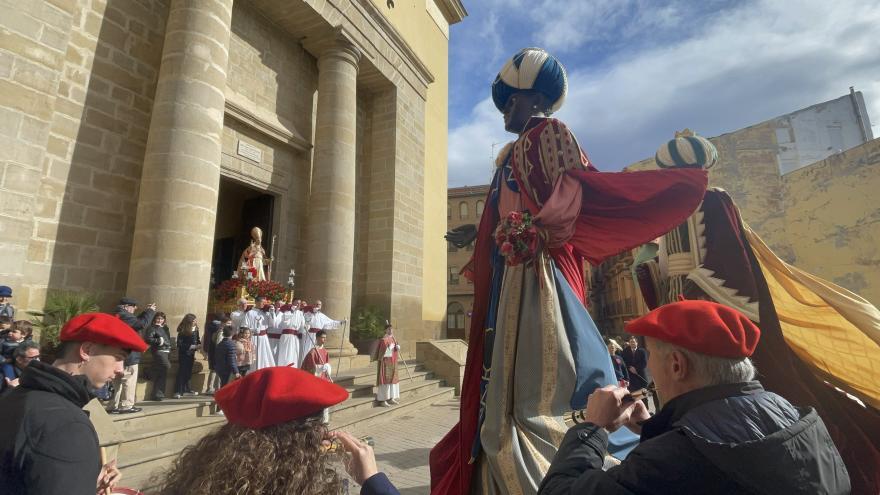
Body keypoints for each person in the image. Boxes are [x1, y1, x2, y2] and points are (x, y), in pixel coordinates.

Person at [430, 47, 708, 495]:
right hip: (513, 269)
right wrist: (484, 234)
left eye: (509, 101)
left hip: (538, 271)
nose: (503, 111)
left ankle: (556, 450)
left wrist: (532, 231)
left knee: (544, 373)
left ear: (529, 98)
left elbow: (572, 191)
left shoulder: (550, 133)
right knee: (511, 370)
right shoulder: (511, 153)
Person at [632, 130, 880, 492]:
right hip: (686, 337)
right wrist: (650, 268)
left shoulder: (712, 201)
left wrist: (685, 309)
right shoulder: (672, 217)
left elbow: (730, 270)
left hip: (715, 336)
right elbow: (671, 277)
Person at [538, 300, 850, 494]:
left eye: (649, 356)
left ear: (676, 365)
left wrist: (592, 428)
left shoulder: (673, 457)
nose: (648, 366)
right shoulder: (794, 413)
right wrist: (654, 425)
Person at [156, 366, 398, 494]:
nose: (325, 432)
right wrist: (373, 481)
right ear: (298, 441)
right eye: (319, 423)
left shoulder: (202, 479)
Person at [0, 312, 146, 494]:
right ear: (87, 350)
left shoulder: (15, 395)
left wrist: (85, 475)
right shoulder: (66, 423)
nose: (121, 370)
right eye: (118, 358)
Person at [109, 296, 156, 414]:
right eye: (133, 307)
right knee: (129, 380)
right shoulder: (124, 315)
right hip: (129, 354)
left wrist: (145, 312)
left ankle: (113, 405)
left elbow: (135, 322)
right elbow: (141, 324)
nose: (135, 309)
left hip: (118, 353)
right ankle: (126, 405)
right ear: (126, 306)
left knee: (117, 382)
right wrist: (150, 312)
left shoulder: (118, 314)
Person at [302, 330, 333, 423]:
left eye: (325, 338)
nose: (324, 340)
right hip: (316, 380)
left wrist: (327, 368)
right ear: (317, 338)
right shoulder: (312, 352)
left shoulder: (325, 351)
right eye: (322, 337)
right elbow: (308, 367)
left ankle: (325, 419)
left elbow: (328, 365)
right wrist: (320, 368)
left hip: (324, 379)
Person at [301, 299, 343, 365]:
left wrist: (341, 322)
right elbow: (302, 322)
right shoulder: (307, 314)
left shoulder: (322, 316)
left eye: (319, 305)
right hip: (309, 336)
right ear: (313, 305)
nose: (318, 306)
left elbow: (331, 323)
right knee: (308, 351)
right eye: (316, 304)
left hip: (319, 337)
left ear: (321, 306)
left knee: (318, 352)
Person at [143, 312, 173, 401]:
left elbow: (167, 339)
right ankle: (148, 372)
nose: (160, 320)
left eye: (162, 319)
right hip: (158, 351)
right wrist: (159, 340)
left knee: (162, 373)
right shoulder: (152, 327)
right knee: (167, 365)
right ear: (155, 319)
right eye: (158, 318)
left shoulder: (165, 328)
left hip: (167, 351)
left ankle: (158, 394)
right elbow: (148, 339)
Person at [244, 296, 276, 370]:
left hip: (264, 338)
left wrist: (272, 313)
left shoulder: (266, 313)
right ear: (256, 302)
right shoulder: (249, 313)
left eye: (265, 302)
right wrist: (253, 330)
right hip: (254, 337)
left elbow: (272, 324)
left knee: (264, 356)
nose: (264, 304)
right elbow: (244, 327)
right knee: (254, 356)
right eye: (263, 302)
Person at [173, 313, 201, 399]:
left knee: (188, 372)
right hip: (184, 354)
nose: (195, 322)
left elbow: (198, 339)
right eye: (193, 321)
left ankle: (186, 390)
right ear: (189, 322)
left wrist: (199, 344)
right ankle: (178, 391)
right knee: (182, 372)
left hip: (191, 354)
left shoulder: (196, 329)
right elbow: (180, 344)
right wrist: (192, 346)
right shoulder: (182, 330)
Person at [374, 324, 401, 407]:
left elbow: (395, 350)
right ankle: (383, 400)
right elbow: (381, 354)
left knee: (393, 381)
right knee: (386, 381)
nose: (390, 331)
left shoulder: (393, 338)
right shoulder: (383, 340)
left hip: (393, 362)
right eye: (389, 329)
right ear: (385, 330)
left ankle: (391, 398)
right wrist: (390, 348)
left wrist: (397, 347)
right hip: (386, 364)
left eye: (391, 329)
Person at [275, 300, 305, 367]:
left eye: (299, 303)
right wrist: (291, 312)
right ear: (292, 303)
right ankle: (283, 368)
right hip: (286, 336)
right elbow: (278, 323)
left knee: (294, 354)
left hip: (295, 337)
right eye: (297, 303)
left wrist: (306, 327)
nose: (298, 305)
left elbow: (302, 327)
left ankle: (293, 369)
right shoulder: (285, 311)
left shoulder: (300, 313)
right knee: (285, 353)